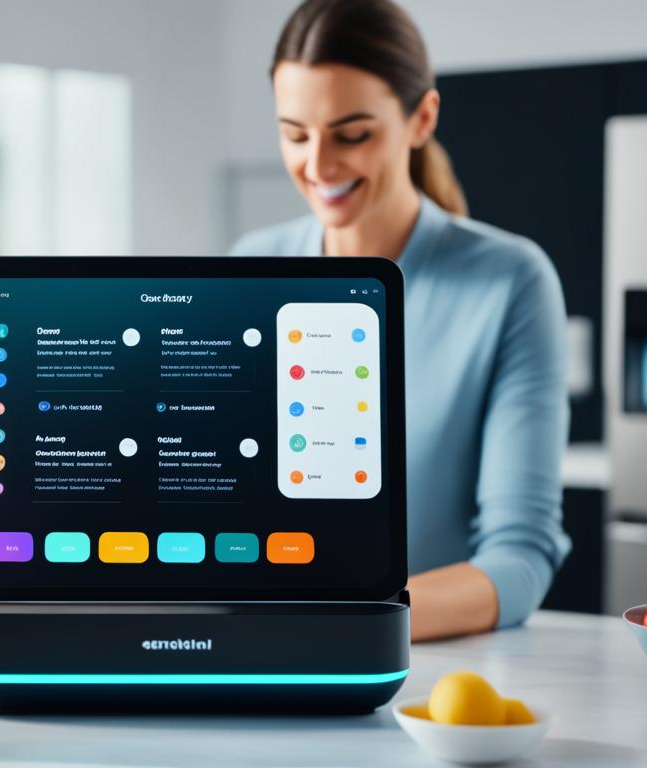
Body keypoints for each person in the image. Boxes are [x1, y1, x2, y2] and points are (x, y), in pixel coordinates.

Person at [231, 0, 570, 641]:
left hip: (424, 678)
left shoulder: (511, 282)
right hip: (258, 651)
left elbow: (519, 560)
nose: (320, 167)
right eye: (296, 134)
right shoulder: (249, 267)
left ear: (422, 118)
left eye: (352, 134)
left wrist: (338, 625)